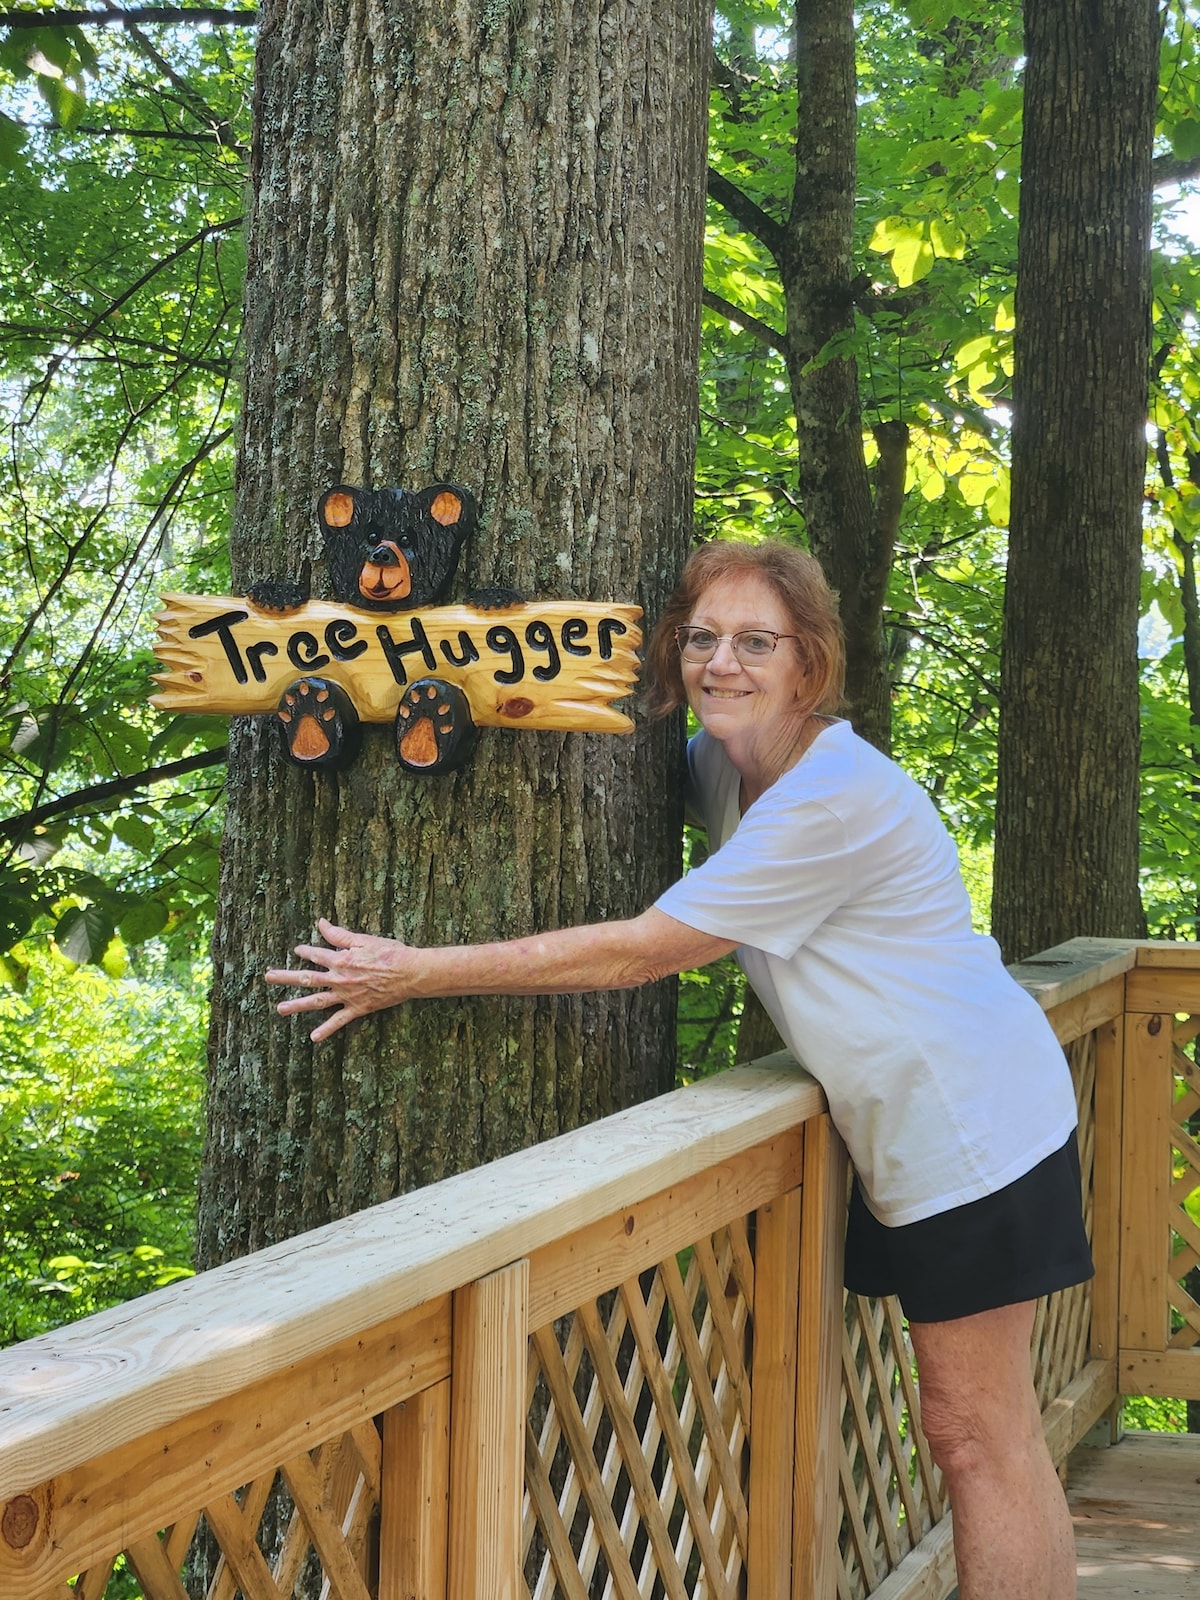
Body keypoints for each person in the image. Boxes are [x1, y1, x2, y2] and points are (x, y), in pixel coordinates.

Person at [267, 539, 1091, 1600]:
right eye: (702, 639)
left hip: (976, 1126)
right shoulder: (731, 766)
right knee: (987, 1430)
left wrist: (412, 970)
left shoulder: (826, 795)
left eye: (757, 641)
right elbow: (622, 736)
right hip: (922, 1124)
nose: (723, 663)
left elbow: (644, 949)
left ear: (811, 664)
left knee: (975, 1435)